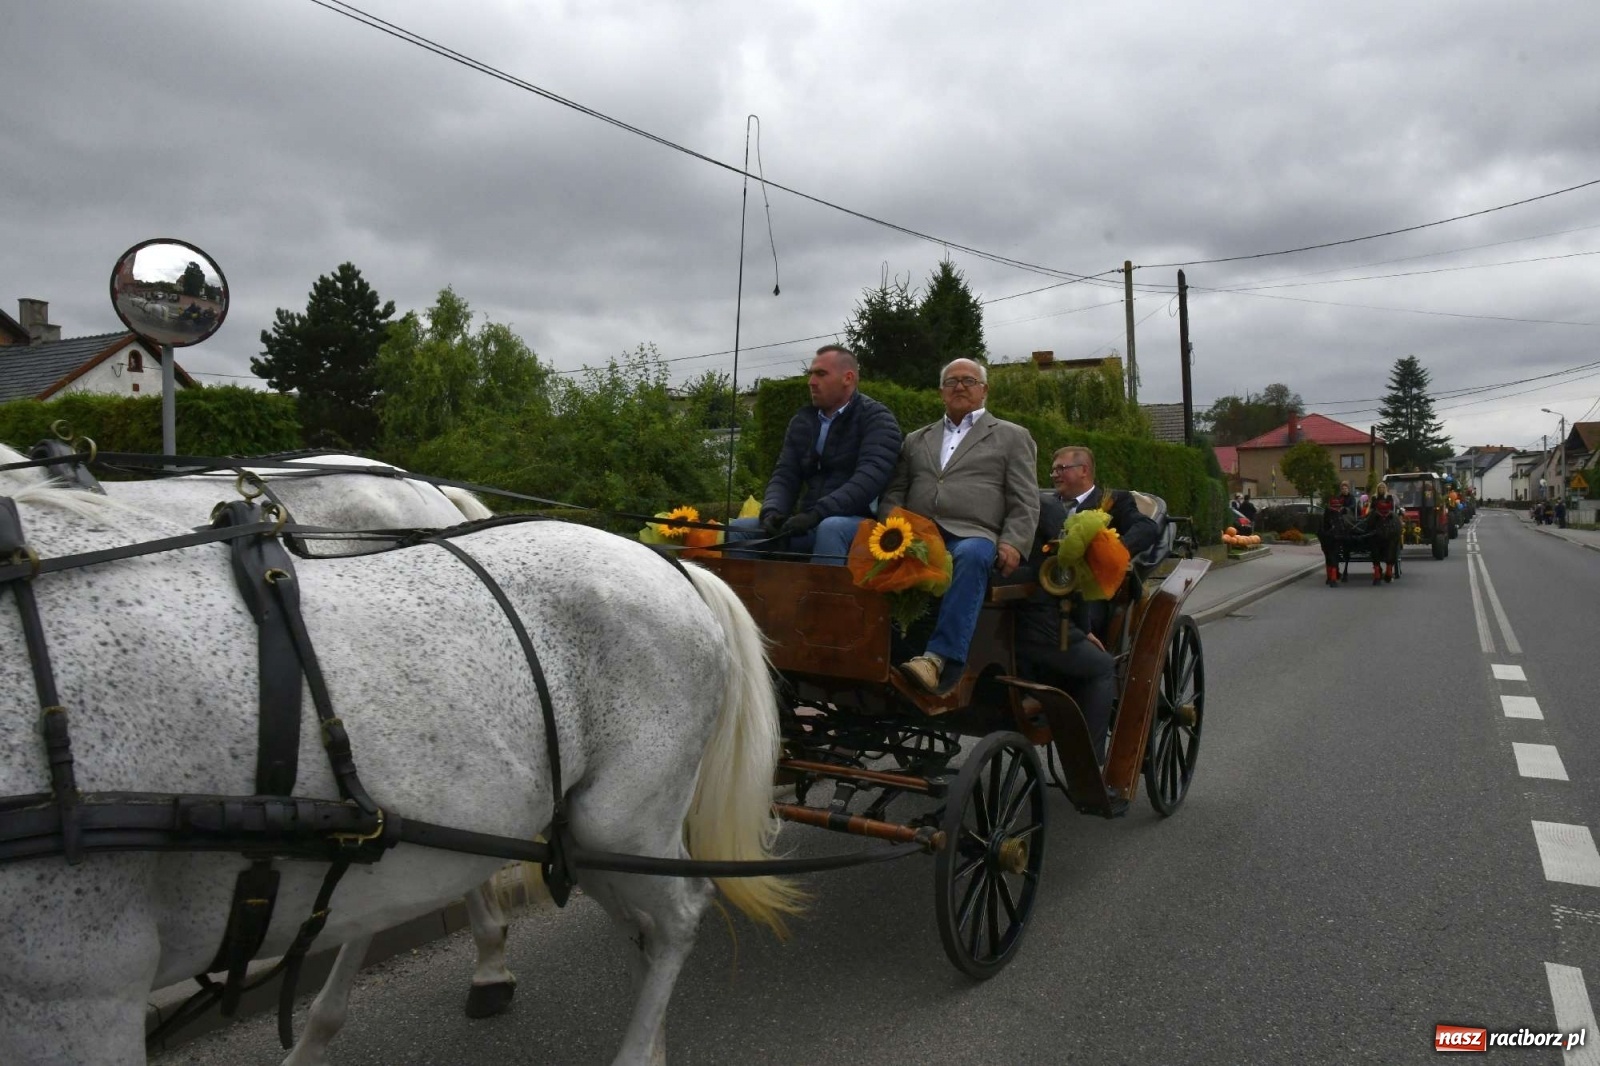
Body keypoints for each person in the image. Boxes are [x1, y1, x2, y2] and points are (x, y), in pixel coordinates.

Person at [883, 359, 1039, 694]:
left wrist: (1013, 541)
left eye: (969, 380)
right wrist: (890, 525)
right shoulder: (916, 439)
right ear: (941, 392)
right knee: (865, 550)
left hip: (973, 533)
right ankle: (876, 650)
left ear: (984, 390)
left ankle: (938, 660)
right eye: (951, 381)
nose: (959, 386)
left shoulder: (1012, 436)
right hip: (918, 534)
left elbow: (1025, 498)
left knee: (971, 554)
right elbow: (896, 490)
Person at [1014, 446, 1161, 762]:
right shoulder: (1045, 503)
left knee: (1077, 620)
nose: (1055, 475)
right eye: (1053, 470)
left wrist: (1110, 551)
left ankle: (1089, 752)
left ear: (1084, 470)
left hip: (1093, 595)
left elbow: (1147, 528)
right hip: (1043, 593)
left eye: (1061, 468)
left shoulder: (1116, 500)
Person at [726, 345, 902, 562]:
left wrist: (816, 514)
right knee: (739, 529)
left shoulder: (878, 420)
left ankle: (823, 586)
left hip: (858, 524)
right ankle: (745, 586)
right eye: (811, 374)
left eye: (821, 374)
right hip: (808, 521)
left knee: (831, 528)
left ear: (847, 378)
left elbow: (868, 480)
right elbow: (785, 475)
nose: (811, 382)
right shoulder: (802, 422)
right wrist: (771, 513)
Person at [1320, 492, 1349, 587]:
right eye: (1335, 507)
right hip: (1330, 537)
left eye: (1338, 507)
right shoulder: (1331, 513)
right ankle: (1331, 577)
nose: (1337, 508)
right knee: (1330, 556)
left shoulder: (1338, 513)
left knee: (1333, 556)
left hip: (1336, 537)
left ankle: (1332, 578)